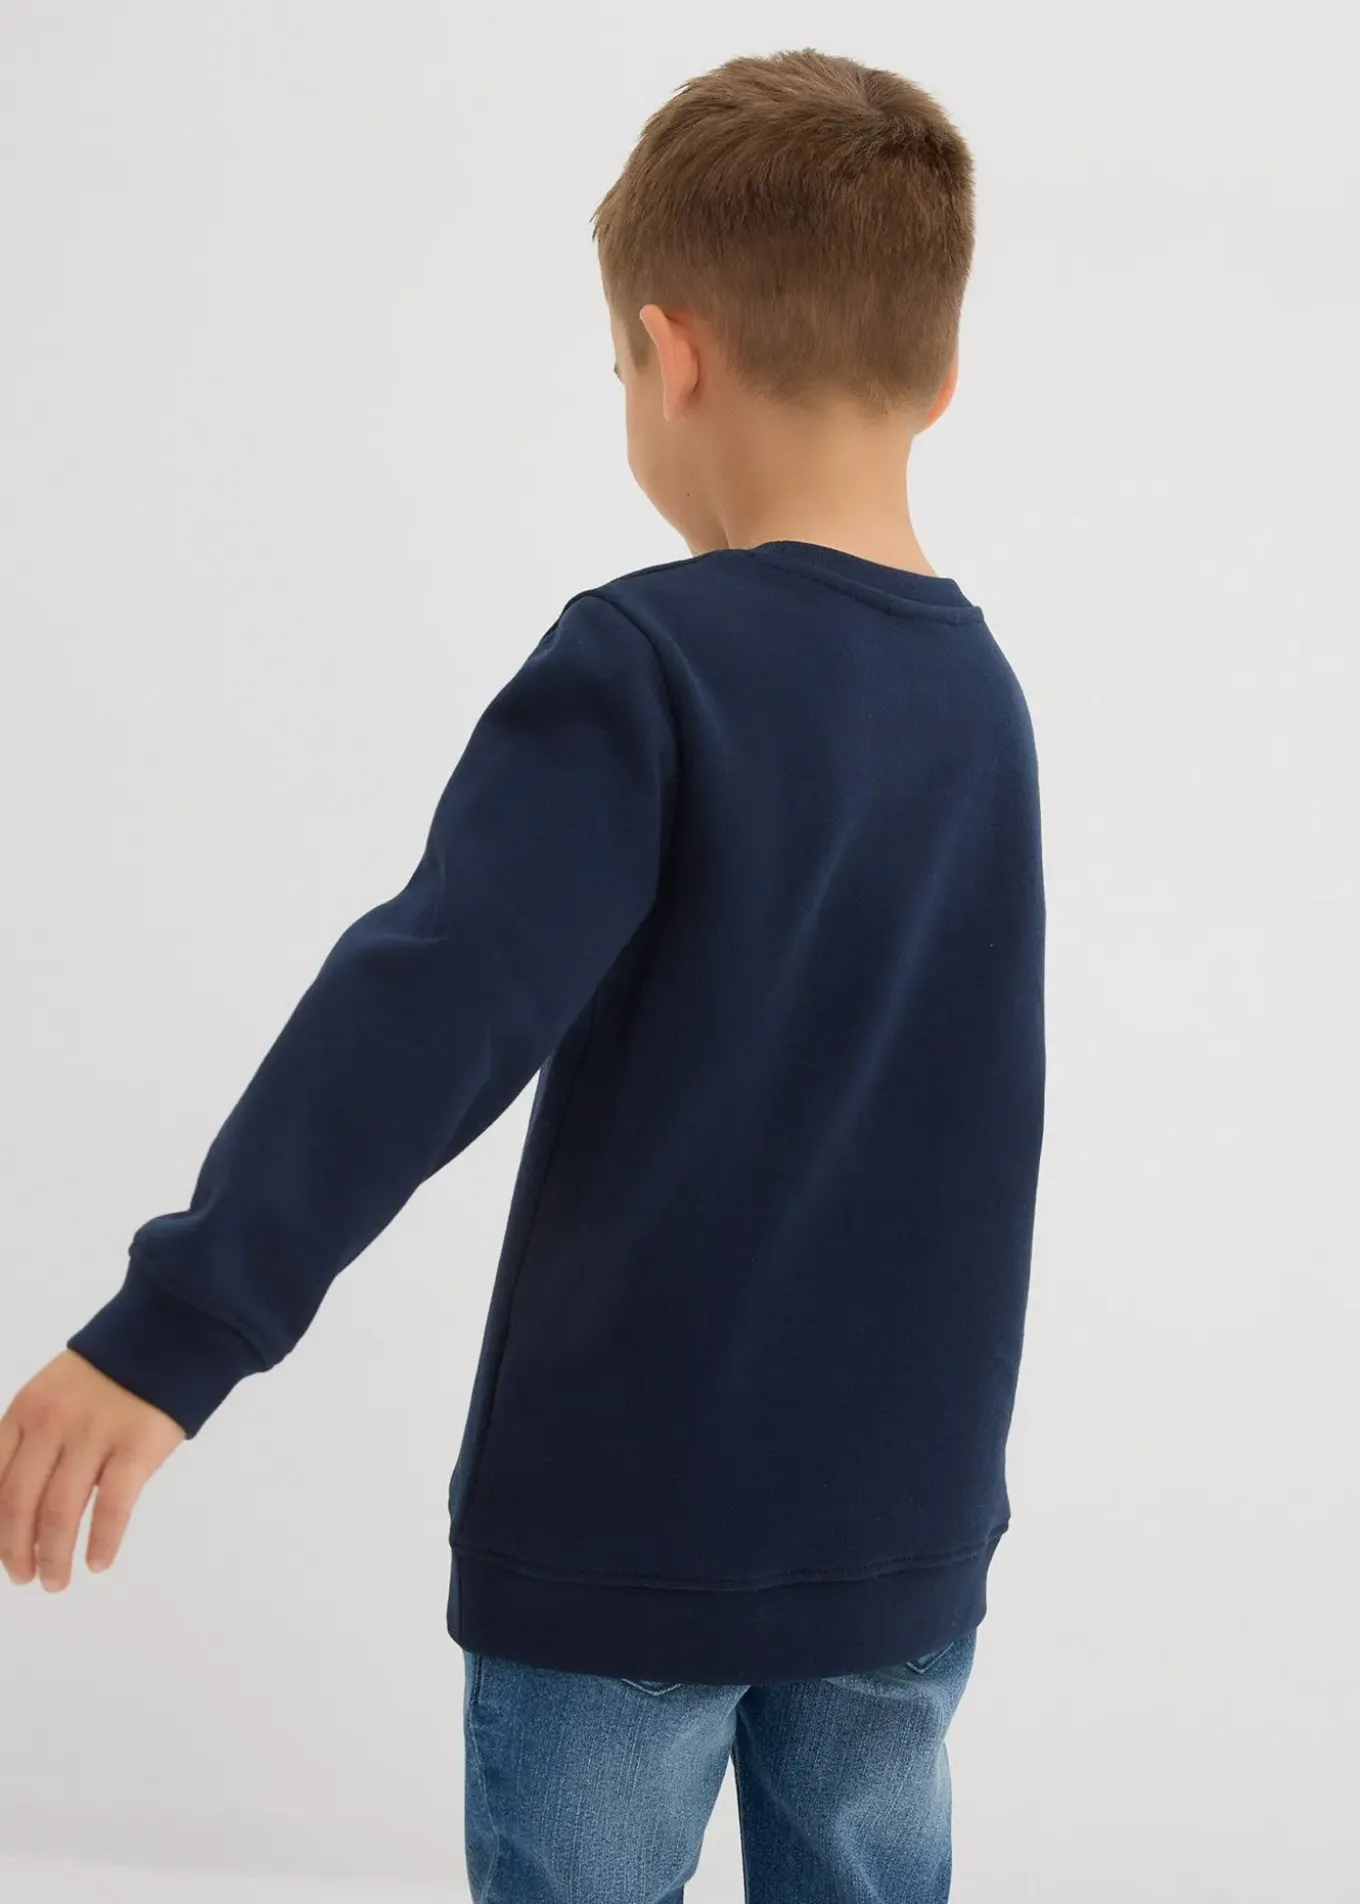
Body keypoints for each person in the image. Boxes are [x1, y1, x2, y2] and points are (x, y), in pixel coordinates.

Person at [0, 45, 1046, 1904]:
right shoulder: (982, 697)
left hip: (630, 1528)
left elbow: (433, 1005)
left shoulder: (647, 663)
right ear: (943, 377)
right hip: (902, 1537)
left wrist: (181, 1326)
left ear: (670, 355)